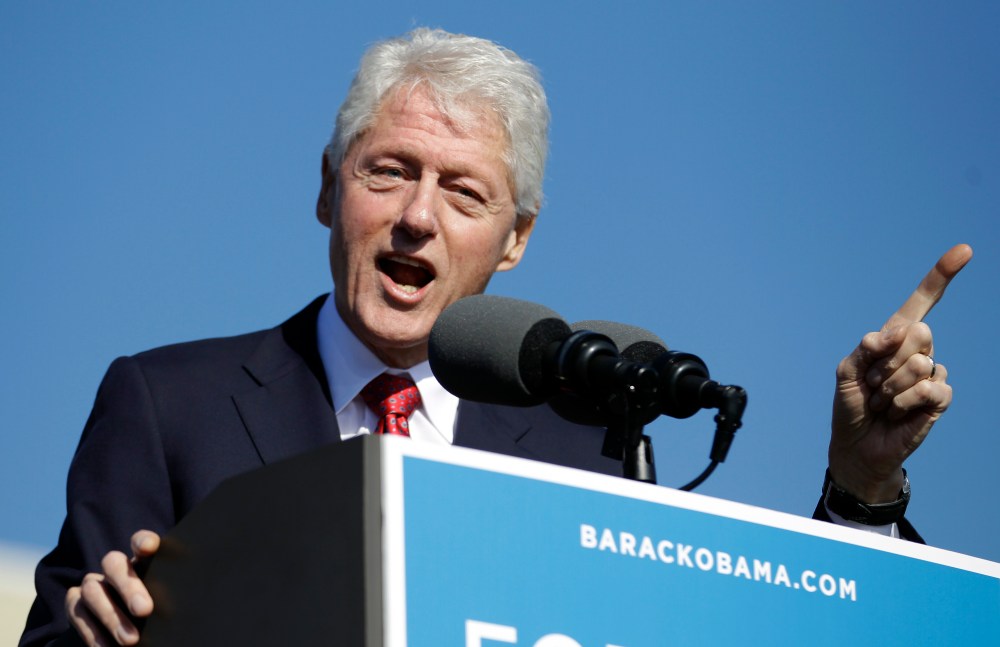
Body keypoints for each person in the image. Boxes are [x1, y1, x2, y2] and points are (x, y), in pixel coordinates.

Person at [19, 28, 971, 647]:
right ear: (327, 188)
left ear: (515, 240)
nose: (416, 219)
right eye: (388, 171)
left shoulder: (586, 441)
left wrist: (863, 487)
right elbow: (59, 635)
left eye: (464, 191)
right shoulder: (165, 403)